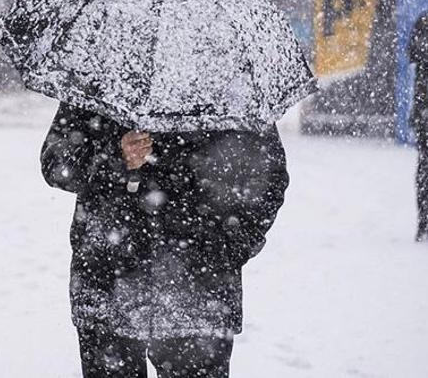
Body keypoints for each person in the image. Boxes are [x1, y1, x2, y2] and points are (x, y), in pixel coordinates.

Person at [41, 104, 289, 377]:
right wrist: (115, 156)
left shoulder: (230, 90)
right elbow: (56, 164)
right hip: (108, 284)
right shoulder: (99, 84)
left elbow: (269, 178)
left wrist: (228, 249)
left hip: (199, 294)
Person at [410, 12, 428, 242]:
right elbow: (415, 53)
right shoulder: (424, 23)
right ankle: (424, 220)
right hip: (425, 112)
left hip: (423, 111)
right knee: (425, 167)